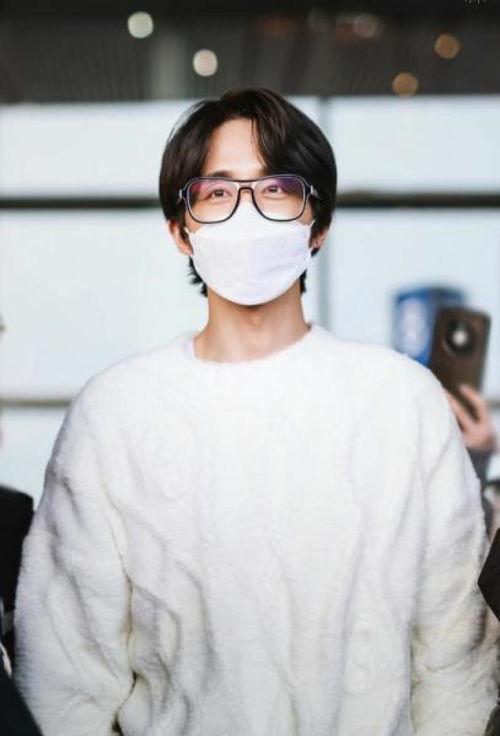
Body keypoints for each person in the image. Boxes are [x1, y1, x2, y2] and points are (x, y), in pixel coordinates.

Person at [14, 88, 497, 735]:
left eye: (276, 189)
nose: (247, 213)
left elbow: (454, 661)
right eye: (217, 192)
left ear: (318, 224)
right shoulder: (115, 413)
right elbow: (65, 675)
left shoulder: (402, 402)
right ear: (179, 229)